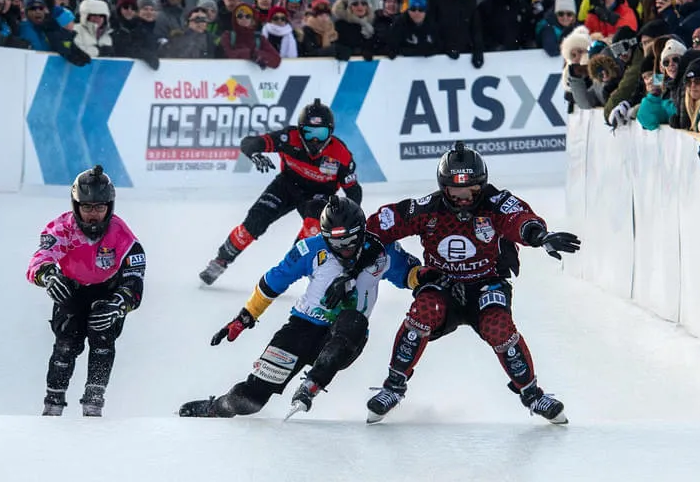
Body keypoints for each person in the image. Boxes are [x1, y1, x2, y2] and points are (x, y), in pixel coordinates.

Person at [364, 142, 580, 424]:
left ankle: (533, 394)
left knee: (498, 325)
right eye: (456, 191)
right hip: (443, 285)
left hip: (486, 285)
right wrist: (364, 239)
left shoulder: (497, 203)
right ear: (444, 187)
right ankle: (392, 387)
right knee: (425, 309)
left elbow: (519, 219)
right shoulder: (428, 209)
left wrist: (540, 236)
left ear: (483, 185)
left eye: (472, 190)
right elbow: (388, 220)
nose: (464, 198)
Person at [180, 196, 420, 418]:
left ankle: (312, 384)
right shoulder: (309, 249)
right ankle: (216, 407)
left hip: (346, 337)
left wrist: (430, 279)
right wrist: (245, 317)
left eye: (349, 240)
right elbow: (272, 283)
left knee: (353, 320)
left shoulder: (383, 250)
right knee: (249, 400)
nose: (344, 248)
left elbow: (411, 274)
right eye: (335, 242)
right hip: (301, 329)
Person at [199, 98, 362, 285]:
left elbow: (354, 192)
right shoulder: (288, 137)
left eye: (321, 133)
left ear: (330, 132)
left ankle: (289, 268)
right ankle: (221, 260)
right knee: (255, 221)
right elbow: (250, 142)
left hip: (319, 194)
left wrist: (350, 218)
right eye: (309, 133)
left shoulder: (341, 154)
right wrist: (253, 153)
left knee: (314, 226)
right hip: (286, 186)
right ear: (300, 131)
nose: (315, 140)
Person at [26, 166, 146, 417]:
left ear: (110, 207)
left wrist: (121, 303)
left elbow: (135, 278)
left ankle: (94, 403)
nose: (93, 215)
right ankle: (52, 404)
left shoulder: (122, 234)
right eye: (87, 207)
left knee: (103, 337)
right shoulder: (61, 228)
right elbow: (40, 258)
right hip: (72, 289)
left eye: (100, 207)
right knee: (66, 342)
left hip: (108, 290)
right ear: (76, 205)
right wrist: (47, 275)